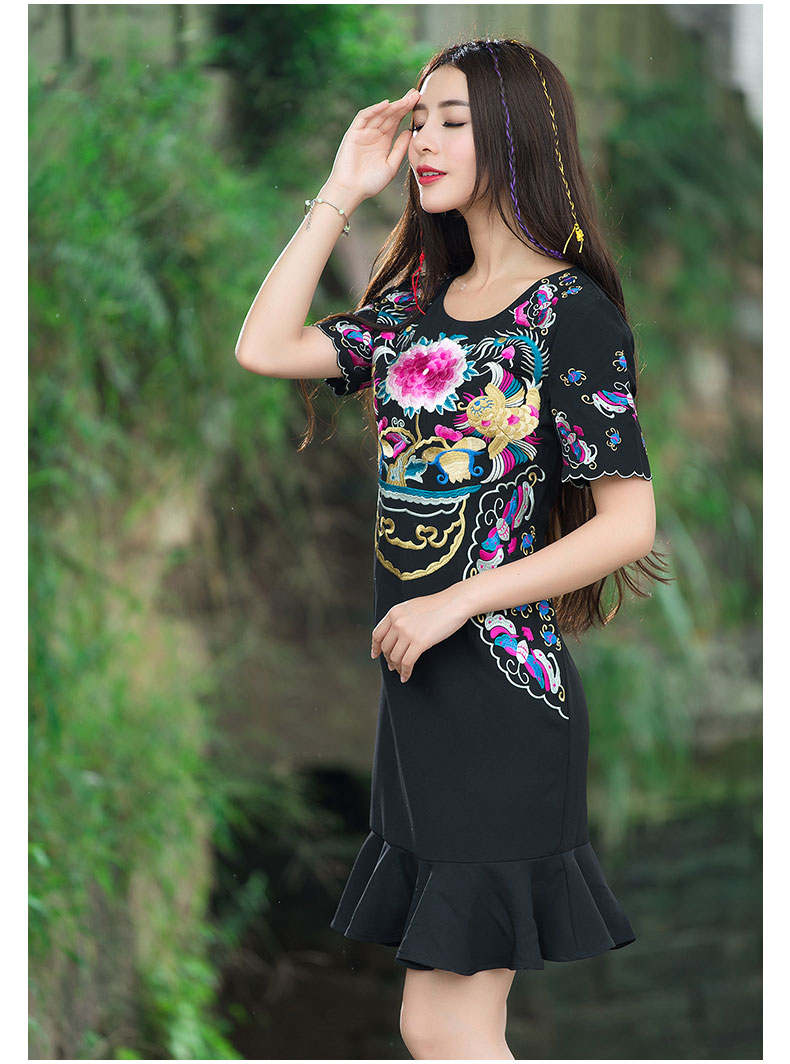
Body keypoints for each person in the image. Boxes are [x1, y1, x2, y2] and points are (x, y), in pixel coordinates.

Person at [235, 36, 671, 1063]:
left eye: (453, 120)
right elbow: (264, 346)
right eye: (418, 118)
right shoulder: (417, 309)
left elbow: (628, 524)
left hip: (501, 696)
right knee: (435, 1024)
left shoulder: (570, 315)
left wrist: (457, 600)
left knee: (445, 1026)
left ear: (518, 136)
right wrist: (341, 190)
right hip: (420, 699)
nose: (424, 139)